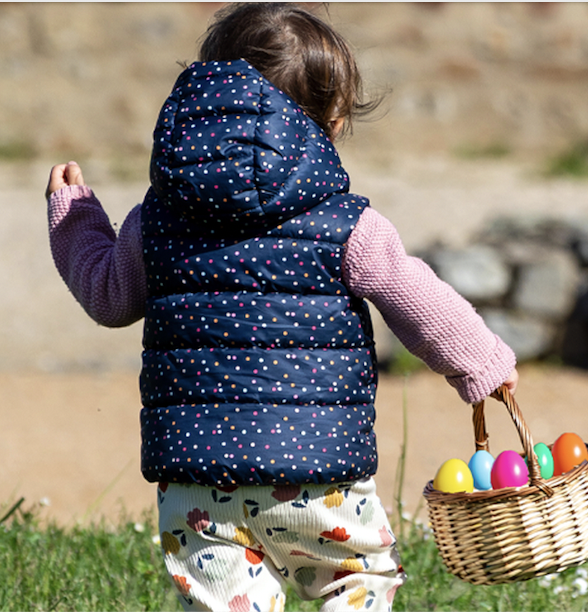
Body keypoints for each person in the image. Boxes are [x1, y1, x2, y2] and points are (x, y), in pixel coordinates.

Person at [46, 3, 517, 612]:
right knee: (359, 584)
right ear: (333, 121)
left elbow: (108, 299)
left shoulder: (155, 223)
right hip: (319, 479)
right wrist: (481, 362)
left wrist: (76, 220)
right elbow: (415, 295)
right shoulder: (347, 224)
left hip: (199, 486)